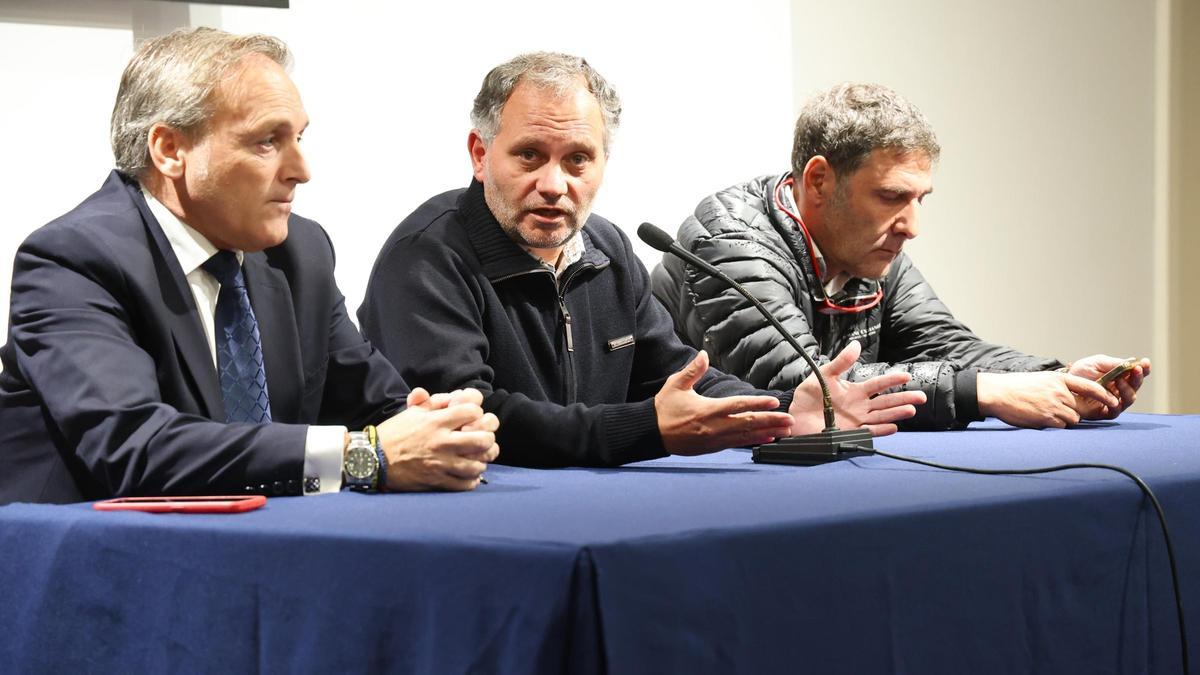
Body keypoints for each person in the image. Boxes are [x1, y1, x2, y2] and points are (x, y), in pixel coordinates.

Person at [0, 28, 497, 505]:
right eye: (266, 142)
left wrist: (441, 426)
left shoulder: (301, 251)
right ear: (170, 150)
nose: (302, 170)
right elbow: (134, 450)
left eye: (299, 138)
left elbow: (379, 405)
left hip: (252, 547)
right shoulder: (72, 260)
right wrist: (361, 456)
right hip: (88, 557)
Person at [358, 53, 925, 468]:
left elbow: (670, 373)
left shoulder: (606, 248)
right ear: (481, 155)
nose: (554, 184)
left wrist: (785, 411)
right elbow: (473, 417)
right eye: (529, 155)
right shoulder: (427, 255)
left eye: (578, 159)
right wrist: (647, 428)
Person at [651, 82, 1143, 430]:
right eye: (891, 197)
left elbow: (945, 345)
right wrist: (985, 394)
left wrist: (1054, 377)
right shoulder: (729, 244)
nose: (912, 226)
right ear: (819, 180)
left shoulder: (869, 247)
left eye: (919, 199)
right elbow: (809, 386)